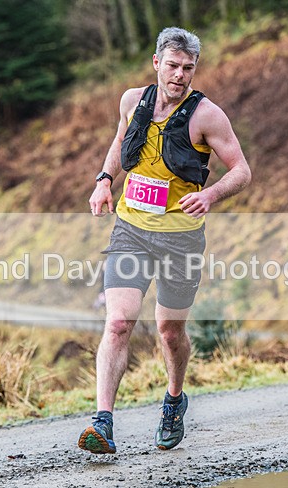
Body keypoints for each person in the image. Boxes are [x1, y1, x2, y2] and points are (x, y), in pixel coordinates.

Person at [78, 27, 251, 454]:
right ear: (156, 62)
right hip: (131, 230)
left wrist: (210, 194)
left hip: (181, 240)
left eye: (187, 68)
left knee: (169, 332)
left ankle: (174, 399)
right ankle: (103, 423)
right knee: (119, 322)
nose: (179, 75)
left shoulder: (207, 115)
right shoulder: (131, 100)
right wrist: (104, 181)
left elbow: (242, 170)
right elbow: (122, 141)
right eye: (172, 66)